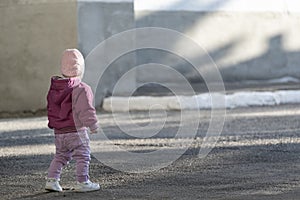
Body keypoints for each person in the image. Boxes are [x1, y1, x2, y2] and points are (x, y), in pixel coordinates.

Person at [45, 49, 100, 192]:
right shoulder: (82, 88)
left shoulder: (54, 89)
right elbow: (86, 109)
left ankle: (52, 180)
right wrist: (93, 125)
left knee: (60, 156)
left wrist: (54, 123)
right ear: (80, 68)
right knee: (83, 155)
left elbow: (51, 108)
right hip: (77, 131)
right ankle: (83, 182)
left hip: (59, 132)